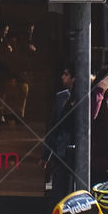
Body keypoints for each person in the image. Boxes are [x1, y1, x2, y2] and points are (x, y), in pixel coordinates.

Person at [41, 67, 77, 204]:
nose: (63, 77)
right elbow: (54, 126)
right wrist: (46, 154)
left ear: (74, 78)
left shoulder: (87, 96)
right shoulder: (61, 97)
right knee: (60, 192)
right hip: (62, 151)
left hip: (78, 150)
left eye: (66, 74)